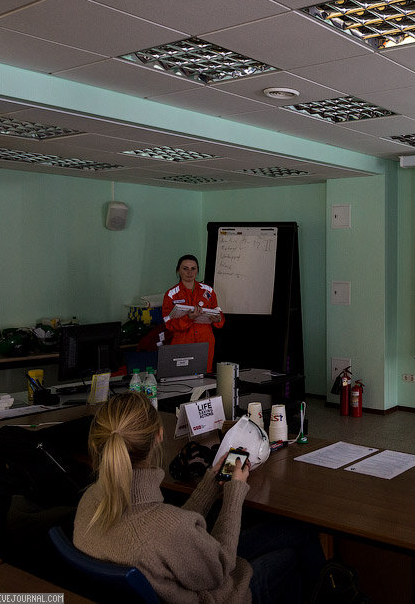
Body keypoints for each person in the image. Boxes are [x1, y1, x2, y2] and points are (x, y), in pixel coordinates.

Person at [74, 391, 323, 603]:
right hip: (218, 594)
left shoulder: (89, 502)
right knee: (293, 550)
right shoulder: (167, 529)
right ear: (159, 435)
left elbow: (172, 534)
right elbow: (221, 567)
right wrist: (234, 491)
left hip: (180, 574)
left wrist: (209, 486)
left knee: (297, 530)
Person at [163, 254, 224, 373]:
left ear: (197, 270)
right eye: (185, 268)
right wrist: (188, 318)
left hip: (205, 341)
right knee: (182, 376)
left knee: (205, 375)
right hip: (182, 341)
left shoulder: (208, 291)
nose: (189, 272)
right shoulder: (171, 294)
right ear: (178, 270)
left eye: (193, 268)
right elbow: (168, 323)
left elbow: (219, 315)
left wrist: (218, 319)